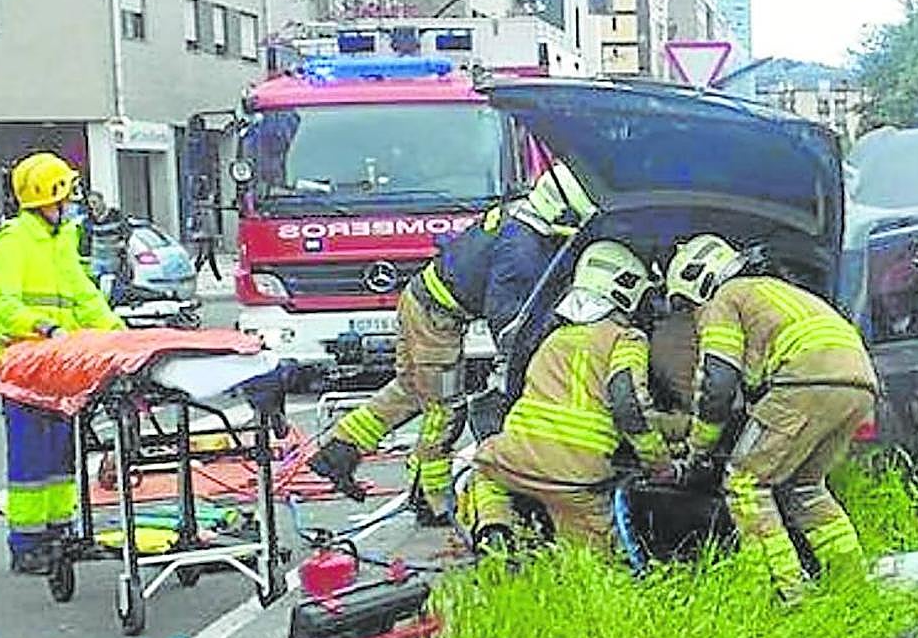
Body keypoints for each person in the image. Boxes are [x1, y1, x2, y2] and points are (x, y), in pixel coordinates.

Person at [310, 169, 594, 525]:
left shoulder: (521, 215)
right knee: (445, 410)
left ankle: (338, 450)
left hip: (423, 303)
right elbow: (509, 323)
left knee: (413, 392)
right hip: (435, 317)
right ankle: (433, 501)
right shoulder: (522, 249)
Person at [665, 233, 876, 598]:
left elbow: (718, 380)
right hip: (857, 381)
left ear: (698, 282)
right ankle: (852, 585)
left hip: (806, 378)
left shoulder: (724, 298)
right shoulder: (774, 290)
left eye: (687, 306)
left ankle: (785, 596)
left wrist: (698, 447)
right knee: (805, 487)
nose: (693, 317)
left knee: (745, 483)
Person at [458, 241, 668, 553]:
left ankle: (495, 533)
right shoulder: (625, 338)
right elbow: (629, 402)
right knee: (595, 568)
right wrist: (658, 461)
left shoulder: (553, 339)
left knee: (484, 473)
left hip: (516, 459)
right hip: (577, 476)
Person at [0, 151, 124, 573]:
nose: (71, 204)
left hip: (58, 369)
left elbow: (84, 297)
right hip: (23, 370)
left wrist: (119, 335)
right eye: (65, 197)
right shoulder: (13, 242)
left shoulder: (61, 241)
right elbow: (3, 304)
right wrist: (43, 327)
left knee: (62, 455)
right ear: (46, 199)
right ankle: (27, 545)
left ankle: (60, 534)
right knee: (31, 458)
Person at [82, 190, 127, 299]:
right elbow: (86, 241)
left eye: (95, 203)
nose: (93, 207)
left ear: (102, 202)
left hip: (113, 260)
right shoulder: (89, 221)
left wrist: (123, 243)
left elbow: (127, 231)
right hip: (97, 261)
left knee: (114, 290)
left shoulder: (115, 216)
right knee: (97, 290)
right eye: (90, 204)